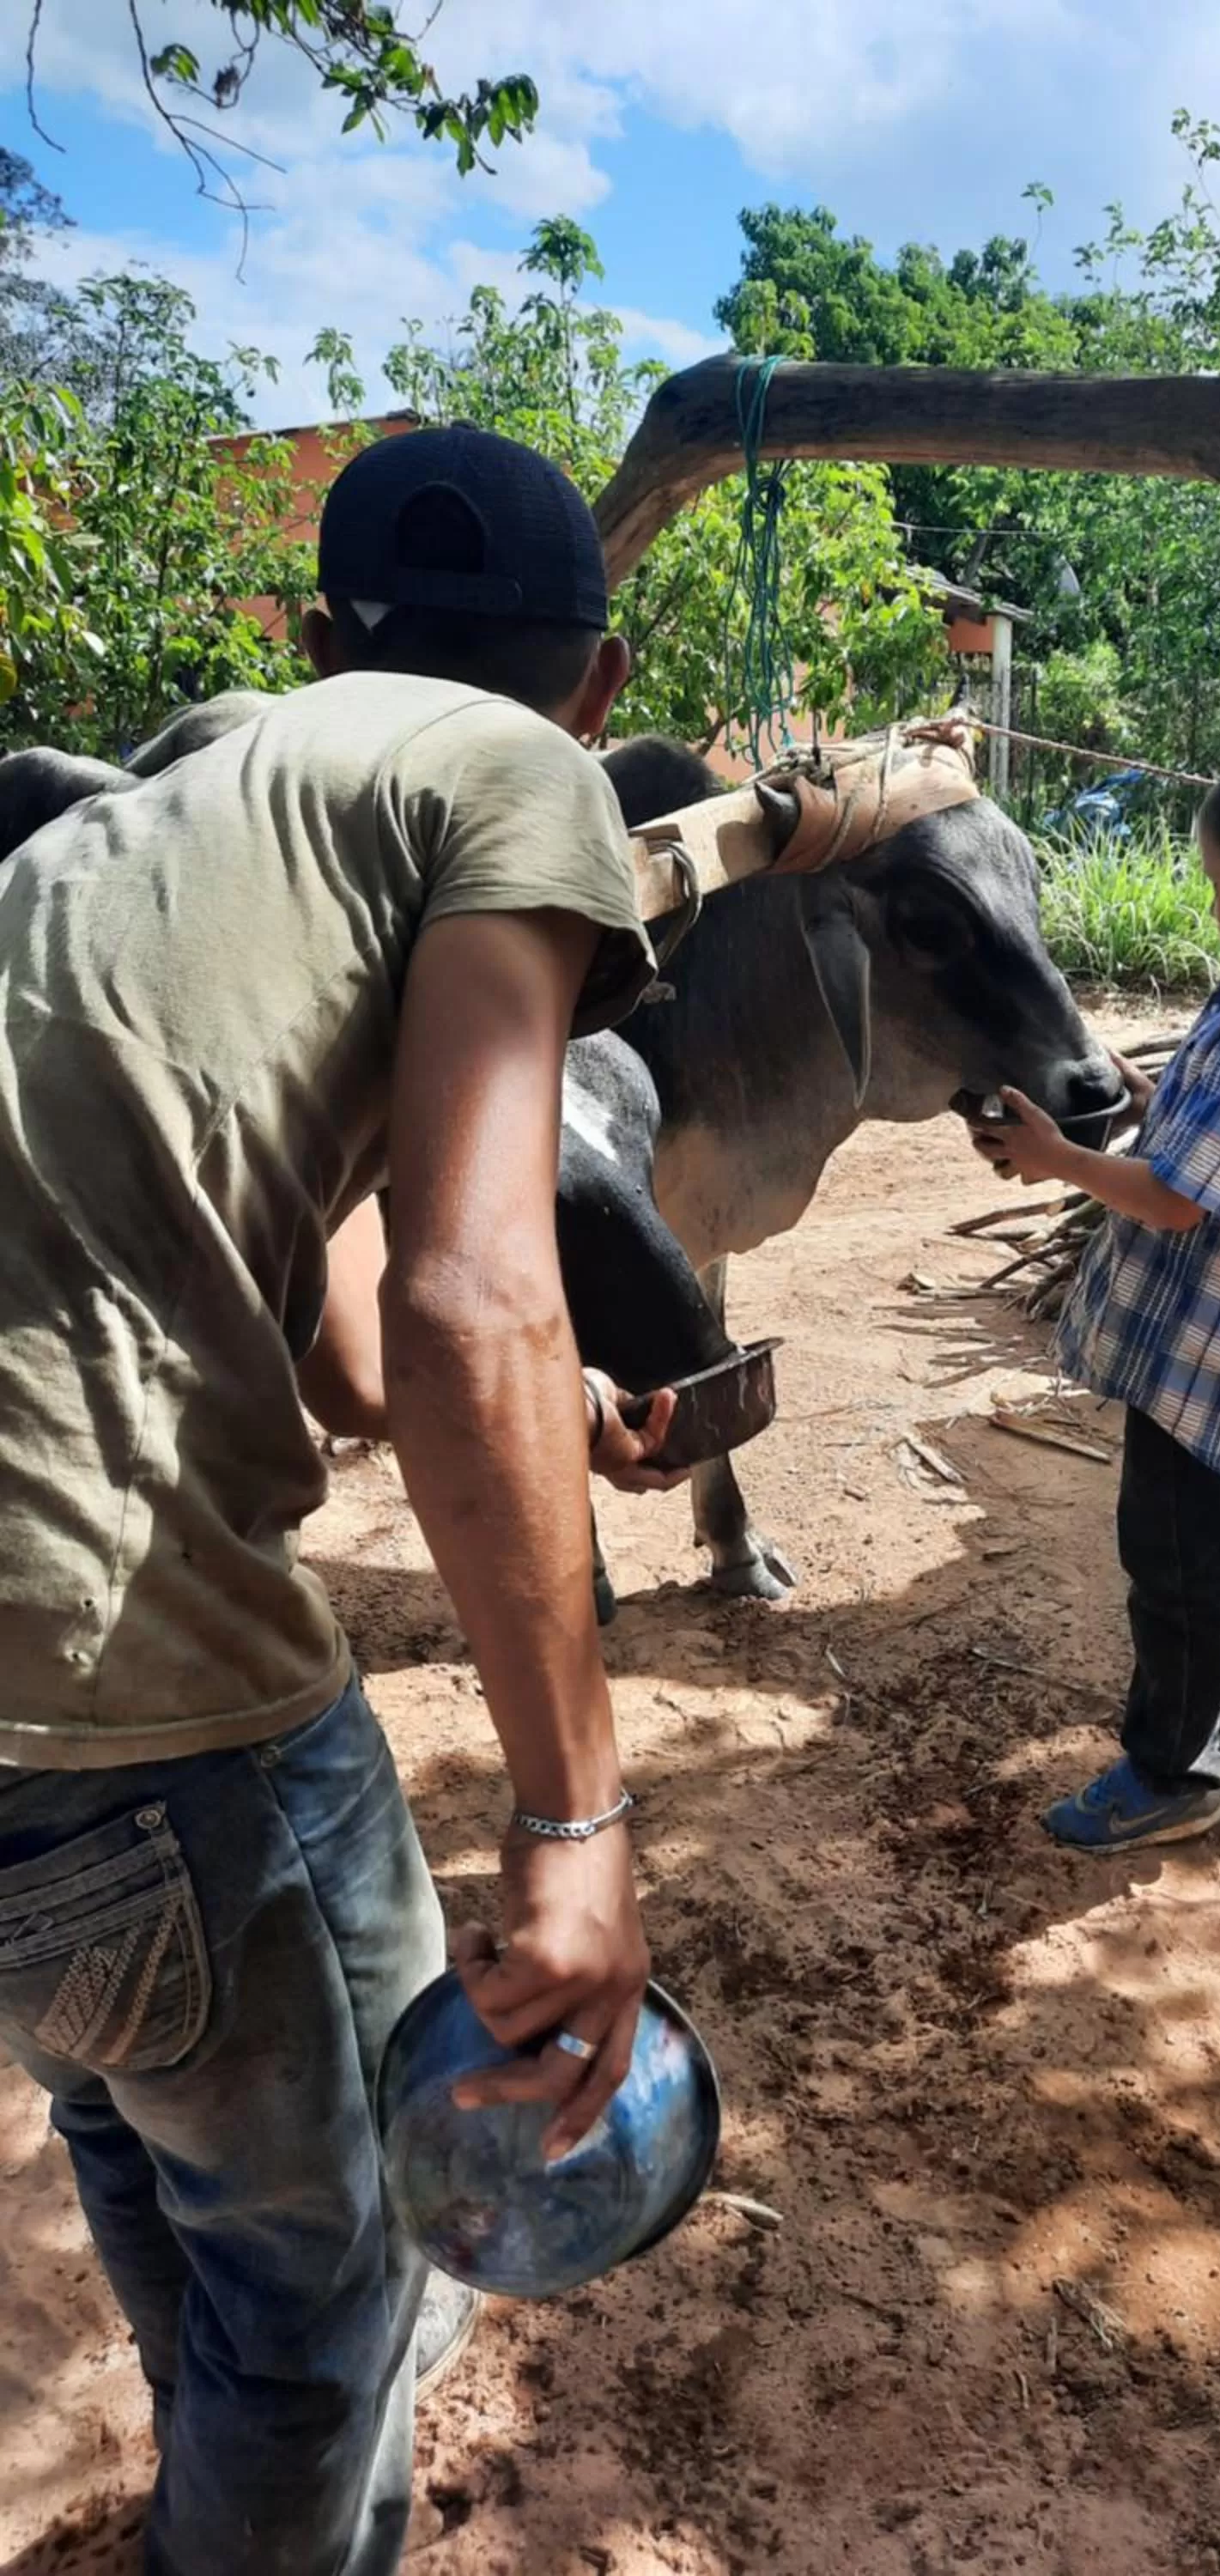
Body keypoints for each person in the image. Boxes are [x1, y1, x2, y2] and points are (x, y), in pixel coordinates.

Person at [0, 424, 687, 2574]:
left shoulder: (161, 817)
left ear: (311, 643)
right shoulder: (519, 777)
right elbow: (480, 1285)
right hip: (123, 1679)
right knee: (352, 2290)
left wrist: (539, 1410)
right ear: (594, 687)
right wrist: (576, 1822)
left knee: (152, 2131)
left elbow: (346, 1344)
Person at [972, 747, 1220, 1850]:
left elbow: (1178, 1198)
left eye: (1216, 883)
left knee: (1179, 1565)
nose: (1210, 906)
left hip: (1205, 1351)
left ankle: (1171, 1771)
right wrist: (1152, 1092)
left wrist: (1056, 1160)